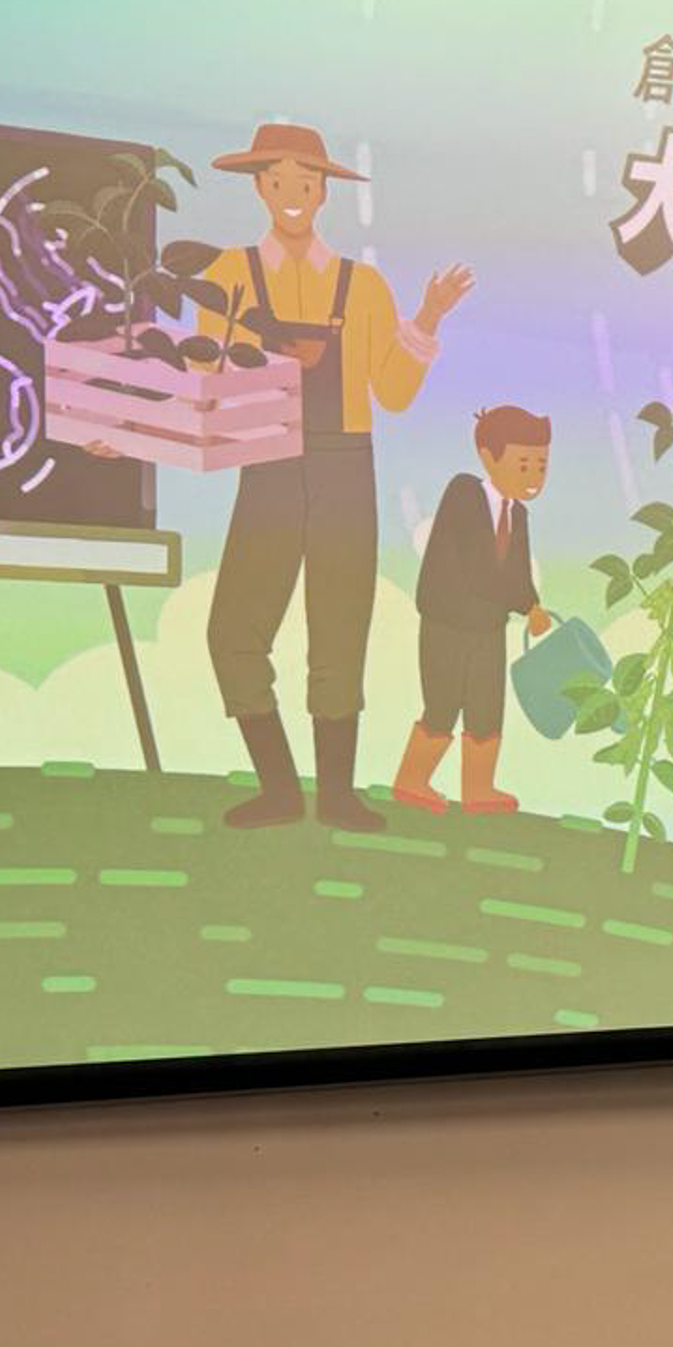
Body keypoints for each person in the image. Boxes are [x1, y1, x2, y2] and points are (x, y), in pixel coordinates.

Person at [194, 123, 474, 831]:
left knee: (341, 630)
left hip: (345, 462)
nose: (293, 194)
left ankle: (339, 795)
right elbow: (204, 377)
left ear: (323, 192)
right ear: (259, 188)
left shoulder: (364, 285)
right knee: (233, 630)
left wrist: (428, 317)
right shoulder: (227, 275)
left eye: (308, 182)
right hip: (267, 459)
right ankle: (279, 788)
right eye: (279, 181)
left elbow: (394, 392)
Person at [395, 405, 552, 815]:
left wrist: (532, 605)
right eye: (524, 464)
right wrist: (519, 602)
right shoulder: (464, 494)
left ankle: (478, 788)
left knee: (486, 708)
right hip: (447, 622)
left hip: (488, 626)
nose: (534, 476)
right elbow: (480, 567)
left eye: (541, 466)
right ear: (488, 457)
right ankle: (412, 780)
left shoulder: (518, 515)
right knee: (443, 702)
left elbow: (516, 571)